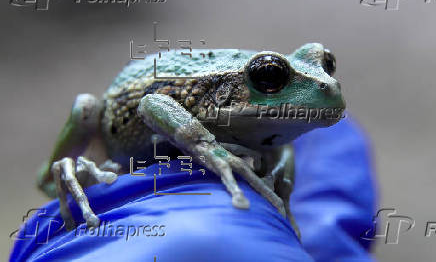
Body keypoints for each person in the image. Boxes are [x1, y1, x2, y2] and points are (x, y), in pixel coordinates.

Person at [10, 115, 378, 262]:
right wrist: (206, 147)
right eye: (270, 77)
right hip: (121, 140)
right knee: (87, 107)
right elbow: (151, 102)